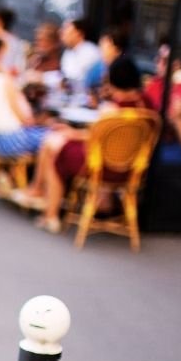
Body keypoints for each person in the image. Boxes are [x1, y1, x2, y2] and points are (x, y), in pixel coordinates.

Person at [19, 56, 151, 233]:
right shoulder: (147, 107)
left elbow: (95, 138)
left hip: (101, 166)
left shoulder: (111, 111)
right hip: (133, 169)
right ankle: (41, 195)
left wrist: (71, 133)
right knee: (55, 142)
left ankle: (50, 214)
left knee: (55, 149)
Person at [58, 18, 100, 88]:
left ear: (79, 34)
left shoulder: (91, 51)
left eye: (66, 30)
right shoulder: (67, 53)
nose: (63, 34)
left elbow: (84, 81)